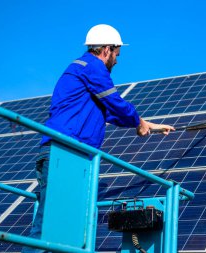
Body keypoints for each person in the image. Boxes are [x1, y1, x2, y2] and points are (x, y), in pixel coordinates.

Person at [22, 24, 174, 253]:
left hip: (72, 156)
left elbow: (110, 111)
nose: (117, 61)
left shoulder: (82, 71)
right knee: (48, 227)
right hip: (66, 153)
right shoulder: (92, 67)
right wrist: (138, 122)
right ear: (106, 49)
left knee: (68, 229)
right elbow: (115, 102)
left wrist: (144, 124)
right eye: (116, 54)